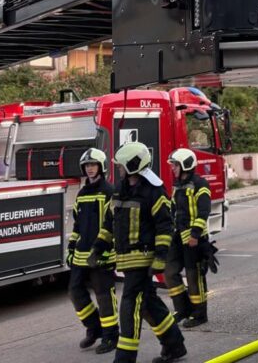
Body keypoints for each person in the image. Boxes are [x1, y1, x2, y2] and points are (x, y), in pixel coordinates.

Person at [91, 142, 185, 363]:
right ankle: (175, 345)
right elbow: (108, 224)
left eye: (122, 166)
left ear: (133, 165)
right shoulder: (120, 190)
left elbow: (164, 227)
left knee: (130, 307)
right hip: (126, 261)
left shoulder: (154, 192)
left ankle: (124, 358)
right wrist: (98, 248)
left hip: (143, 262)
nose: (119, 170)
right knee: (149, 305)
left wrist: (160, 258)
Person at [67, 147, 118, 353]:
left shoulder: (109, 191)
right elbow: (78, 225)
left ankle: (111, 336)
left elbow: (112, 224)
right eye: (87, 165)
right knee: (74, 291)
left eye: (93, 165)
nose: (89, 169)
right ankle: (94, 328)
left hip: (102, 253)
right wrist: (71, 247)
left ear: (101, 166)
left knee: (104, 295)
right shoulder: (82, 194)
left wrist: (103, 248)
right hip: (82, 253)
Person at [163, 148, 212, 328]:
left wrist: (195, 235)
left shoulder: (200, 184)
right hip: (178, 237)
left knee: (194, 277)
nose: (173, 168)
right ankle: (182, 308)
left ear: (185, 165)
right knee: (169, 272)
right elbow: (173, 210)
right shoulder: (178, 186)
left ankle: (199, 314)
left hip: (194, 239)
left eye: (175, 165)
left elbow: (204, 211)